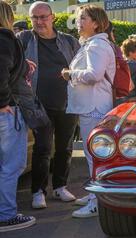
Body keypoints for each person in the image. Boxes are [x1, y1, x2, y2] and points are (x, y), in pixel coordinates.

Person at [17, 1, 81, 210]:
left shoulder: (69, 41)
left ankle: (60, 186)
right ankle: (38, 191)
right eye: (35, 17)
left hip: (67, 102)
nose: (39, 21)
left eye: (43, 17)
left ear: (52, 17)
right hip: (37, 104)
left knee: (65, 148)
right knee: (42, 148)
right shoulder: (24, 39)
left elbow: (81, 67)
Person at [61, 5, 115, 218]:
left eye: (83, 18)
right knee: (94, 155)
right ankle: (94, 194)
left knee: (95, 156)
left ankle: (97, 202)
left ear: (96, 23)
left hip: (94, 107)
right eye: (78, 18)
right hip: (92, 106)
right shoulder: (93, 44)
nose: (78, 22)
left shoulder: (96, 45)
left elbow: (94, 74)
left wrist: (70, 74)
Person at [0, 0, 36, 232]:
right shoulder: (4, 37)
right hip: (7, 110)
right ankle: (6, 215)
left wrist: (23, 66)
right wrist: (2, 101)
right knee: (12, 164)